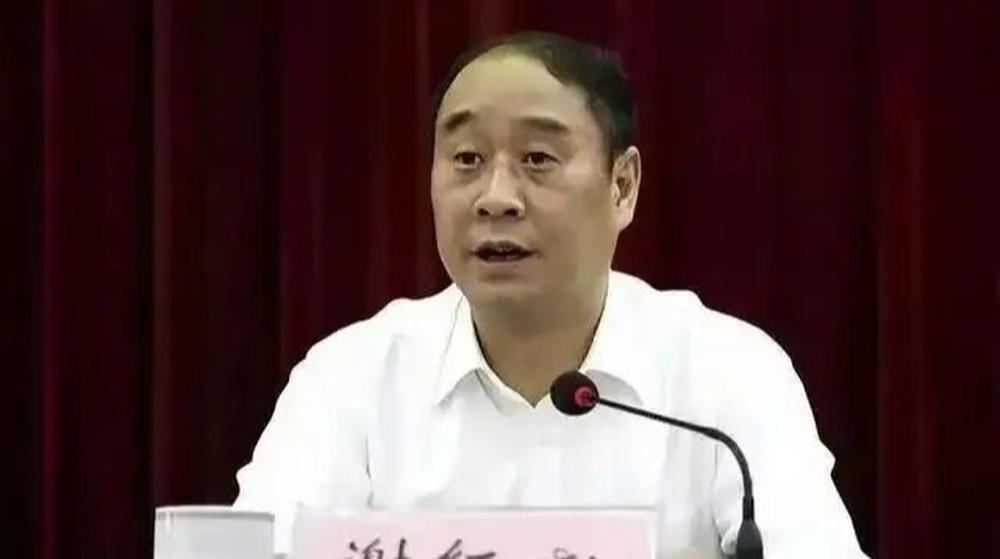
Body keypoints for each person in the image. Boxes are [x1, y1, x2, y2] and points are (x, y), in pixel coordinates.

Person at [234, 31, 868, 558]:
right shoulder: (352, 378)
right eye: (466, 159)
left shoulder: (728, 372)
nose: (496, 198)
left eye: (537, 158)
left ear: (622, 186)